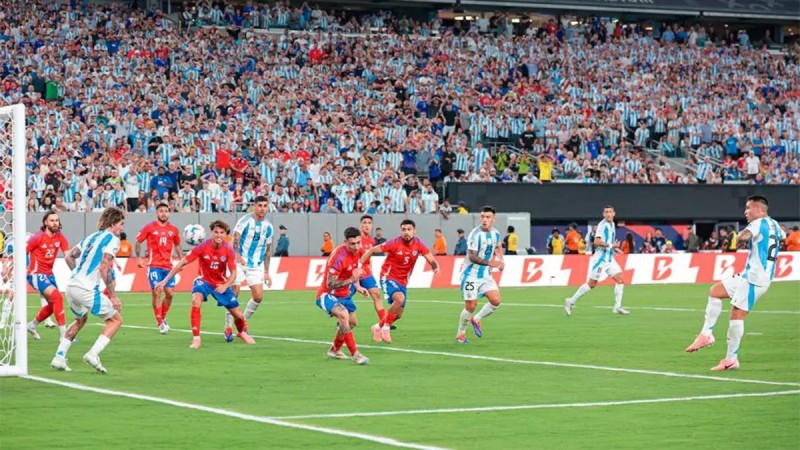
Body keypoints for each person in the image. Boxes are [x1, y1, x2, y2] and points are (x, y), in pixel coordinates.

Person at [684, 196, 784, 370]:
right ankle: (706, 334)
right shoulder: (775, 225)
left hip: (755, 278)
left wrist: (736, 239)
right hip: (749, 275)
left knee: (736, 315)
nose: (745, 212)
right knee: (715, 292)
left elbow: (745, 236)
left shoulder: (758, 222)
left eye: (748, 208)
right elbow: (780, 236)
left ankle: (731, 360)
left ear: (760, 210)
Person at [155, 220, 255, 349]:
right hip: (204, 281)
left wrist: (225, 286)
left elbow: (234, 273)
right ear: (211, 232)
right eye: (216, 232)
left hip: (220, 283)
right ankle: (196, 338)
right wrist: (165, 280)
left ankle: (241, 332)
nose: (219, 235)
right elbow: (182, 263)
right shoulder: (202, 247)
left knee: (238, 315)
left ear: (225, 235)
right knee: (196, 300)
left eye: (222, 233)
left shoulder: (228, 249)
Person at [51, 207, 125, 374]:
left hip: (71, 285)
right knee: (115, 320)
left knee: (80, 320)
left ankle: (59, 357)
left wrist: (79, 275)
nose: (122, 228)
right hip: (87, 288)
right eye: (121, 224)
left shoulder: (91, 236)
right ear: (113, 223)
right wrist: (113, 296)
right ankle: (93, 354)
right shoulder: (112, 239)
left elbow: (70, 256)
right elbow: (104, 267)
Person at [359, 219, 440, 343]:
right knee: (400, 299)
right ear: (400, 231)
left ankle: (377, 327)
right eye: (403, 230)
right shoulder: (394, 243)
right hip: (388, 277)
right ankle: (386, 328)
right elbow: (372, 250)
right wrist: (359, 264)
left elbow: (429, 257)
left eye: (409, 229)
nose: (406, 232)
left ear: (414, 231)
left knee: (398, 314)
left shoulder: (418, 244)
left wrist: (435, 267)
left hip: (403, 281)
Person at [315, 227, 369, 365]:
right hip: (327, 294)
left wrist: (358, 286)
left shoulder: (360, 252)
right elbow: (331, 283)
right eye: (352, 244)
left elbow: (354, 272)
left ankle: (335, 349)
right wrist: (351, 280)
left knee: (351, 323)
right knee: (343, 314)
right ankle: (355, 354)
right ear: (345, 242)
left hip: (344, 294)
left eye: (358, 242)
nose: (356, 247)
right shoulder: (338, 257)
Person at [224, 196, 273, 342]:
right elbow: (235, 238)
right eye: (260, 205)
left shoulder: (269, 226)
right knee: (234, 293)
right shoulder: (245, 221)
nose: (263, 208)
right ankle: (228, 326)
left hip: (255, 265)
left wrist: (266, 272)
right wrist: (237, 254)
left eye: (265, 206)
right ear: (254, 207)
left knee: (258, 296)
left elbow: (268, 250)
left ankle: (242, 322)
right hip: (238, 262)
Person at [564, 205, 629, 316]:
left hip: (609, 258)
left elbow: (609, 242)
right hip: (600, 259)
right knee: (592, 284)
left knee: (620, 279)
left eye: (610, 212)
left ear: (614, 213)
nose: (608, 214)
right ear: (603, 214)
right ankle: (570, 301)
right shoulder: (602, 225)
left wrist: (616, 249)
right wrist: (611, 245)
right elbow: (596, 242)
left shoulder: (612, 224)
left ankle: (617, 306)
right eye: (606, 212)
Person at [455, 206, 505, 343]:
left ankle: (476, 319)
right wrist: (490, 263)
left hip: (485, 275)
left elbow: (498, 246)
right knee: (471, 305)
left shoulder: (496, 233)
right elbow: (472, 257)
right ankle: (461, 333)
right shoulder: (474, 234)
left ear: (493, 219)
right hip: (470, 274)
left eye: (488, 217)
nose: (484, 219)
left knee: (496, 301)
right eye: (482, 216)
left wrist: (501, 260)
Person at [134, 203, 183, 334]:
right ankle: (160, 322)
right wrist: (139, 258)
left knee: (170, 293)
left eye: (166, 211)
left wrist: (182, 260)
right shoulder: (149, 227)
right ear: (156, 213)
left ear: (169, 213)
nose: (164, 213)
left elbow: (177, 245)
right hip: (154, 266)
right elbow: (138, 242)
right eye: (161, 211)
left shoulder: (173, 229)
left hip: (168, 267)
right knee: (157, 292)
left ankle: (163, 316)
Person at [26, 211, 70, 340]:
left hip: (49, 275)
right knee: (58, 297)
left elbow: (68, 256)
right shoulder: (37, 237)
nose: (55, 223)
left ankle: (32, 325)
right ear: (45, 222)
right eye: (52, 220)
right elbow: (22, 252)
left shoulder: (60, 237)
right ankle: (64, 336)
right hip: (35, 274)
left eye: (57, 220)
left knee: (53, 305)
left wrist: (76, 270)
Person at [356, 215, 388, 338]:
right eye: (364, 222)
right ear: (361, 225)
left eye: (369, 223)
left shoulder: (371, 241)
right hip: (354, 273)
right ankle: (342, 318)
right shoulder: (356, 239)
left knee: (376, 294)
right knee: (345, 298)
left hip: (366, 273)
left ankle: (384, 322)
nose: (367, 225)